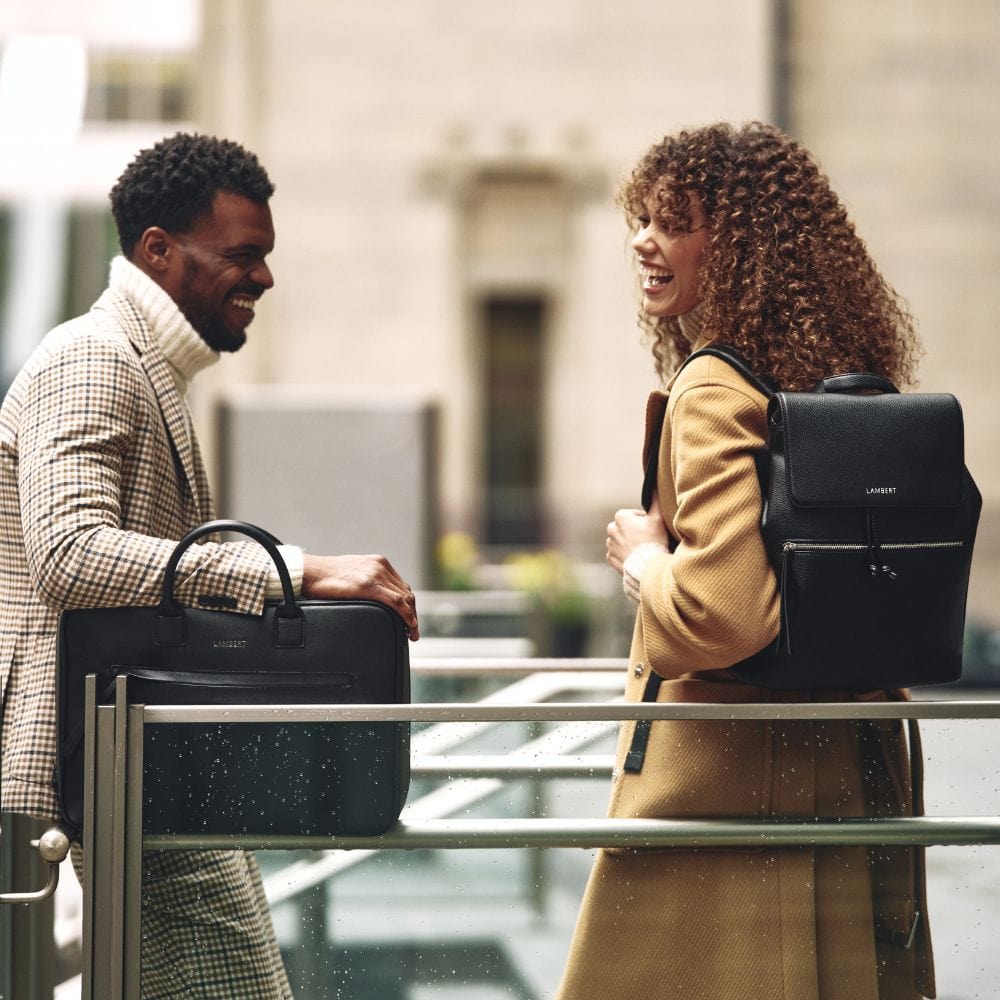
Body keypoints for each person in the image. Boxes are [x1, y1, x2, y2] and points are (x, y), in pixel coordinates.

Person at [0, 132, 420, 998]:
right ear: (159, 250)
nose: (264, 278)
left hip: (138, 767)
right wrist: (294, 573)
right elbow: (70, 556)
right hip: (93, 771)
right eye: (243, 255)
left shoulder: (145, 365)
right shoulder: (94, 361)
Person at [555, 122, 934, 1000]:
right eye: (640, 220)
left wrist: (645, 560)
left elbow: (726, 615)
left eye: (672, 221)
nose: (643, 242)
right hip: (844, 772)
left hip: (723, 798)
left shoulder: (715, 389)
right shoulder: (833, 376)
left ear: (734, 247)